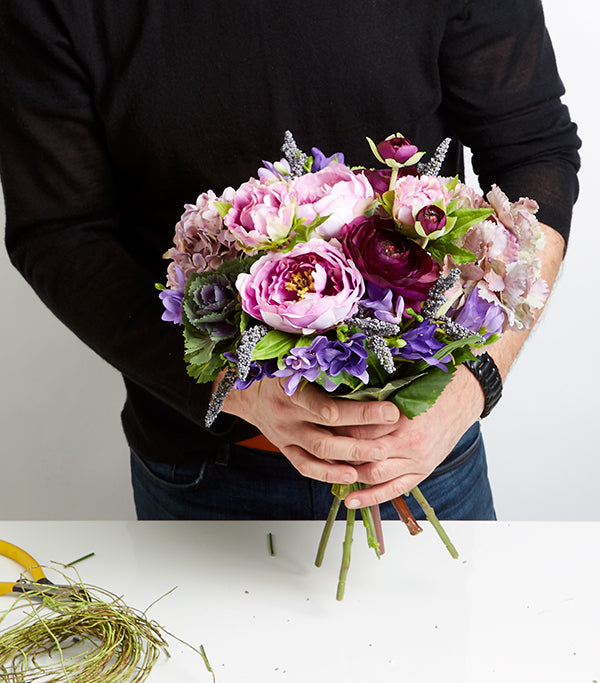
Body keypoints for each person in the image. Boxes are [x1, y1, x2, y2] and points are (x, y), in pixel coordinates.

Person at [0, 1, 580, 521]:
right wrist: (241, 389)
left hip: (425, 456)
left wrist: (476, 380)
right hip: (203, 468)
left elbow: (535, 152)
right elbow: (58, 230)